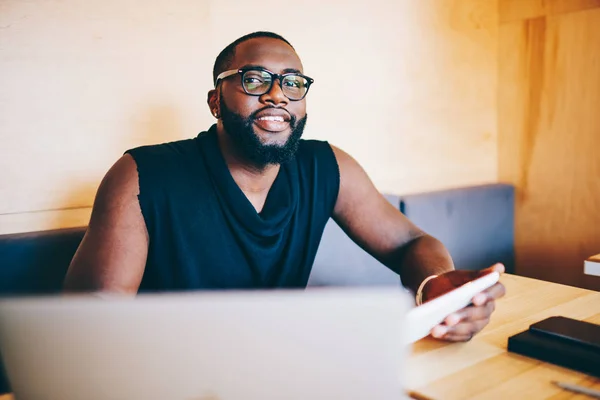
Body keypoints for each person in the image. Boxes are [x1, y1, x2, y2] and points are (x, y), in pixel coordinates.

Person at [63, 31, 506, 342]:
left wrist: (436, 289)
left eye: (293, 83)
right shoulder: (142, 175)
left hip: (284, 368)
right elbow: (90, 324)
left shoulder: (327, 165)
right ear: (216, 100)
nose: (277, 95)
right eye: (254, 79)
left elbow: (410, 241)